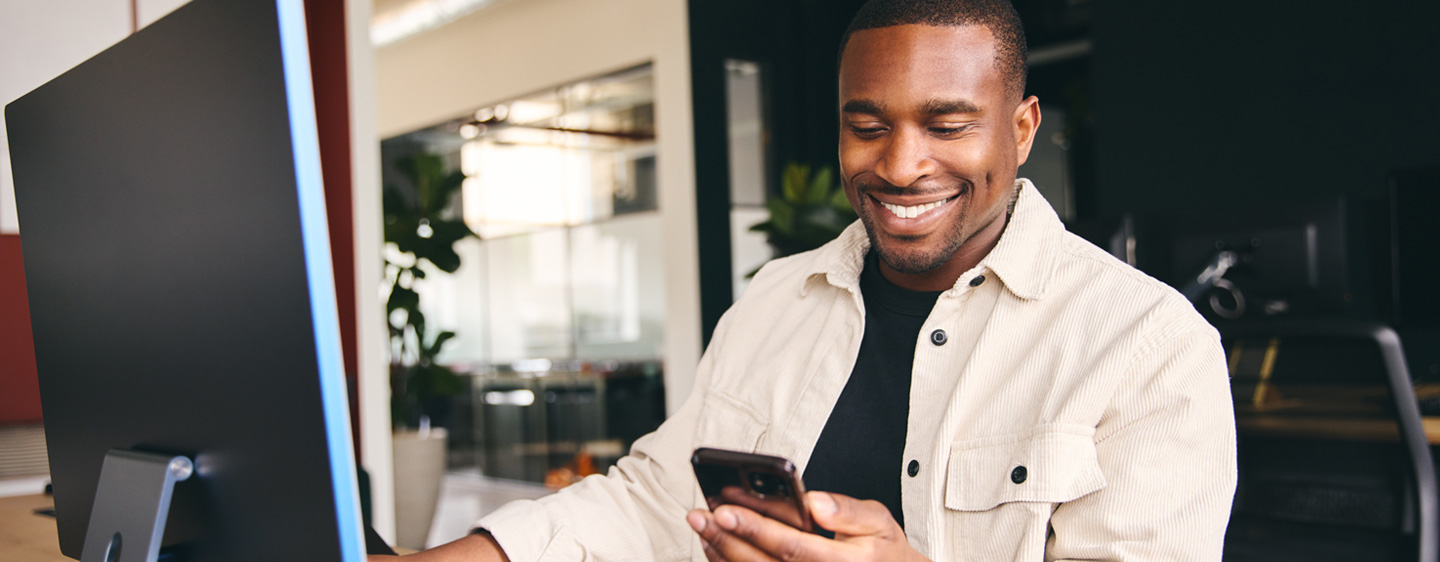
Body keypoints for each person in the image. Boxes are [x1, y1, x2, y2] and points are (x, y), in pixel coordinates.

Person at [377, 0, 1236, 560]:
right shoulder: (775, 298)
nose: (900, 166)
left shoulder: (1148, 348)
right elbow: (653, 501)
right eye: (867, 126)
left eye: (948, 124)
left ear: (1020, 129)